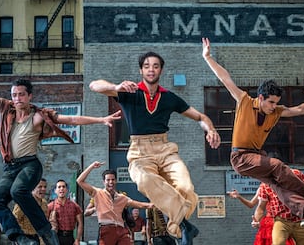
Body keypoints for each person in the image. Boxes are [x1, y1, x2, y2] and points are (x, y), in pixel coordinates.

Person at [0, 49, 121, 245]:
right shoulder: (5, 109)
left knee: (18, 191)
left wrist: (100, 119)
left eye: (21, 95)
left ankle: (46, 232)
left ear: (29, 96)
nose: (17, 99)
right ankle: (19, 238)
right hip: (10, 167)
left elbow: (71, 119)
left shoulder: (39, 116)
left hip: (30, 165)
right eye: (14, 95)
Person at [89, 51, 221, 244]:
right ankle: (183, 226)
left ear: (161, 70)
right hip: (140, 152)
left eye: (156, 66)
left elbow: (200, 117)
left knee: (186, 188)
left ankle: (178, 226)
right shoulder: (129, 93)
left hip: (165, 149)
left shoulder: (169, 97)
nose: (151, 69)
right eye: (147, 66)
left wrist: (210, 129)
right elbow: (94, 85)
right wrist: (116, 86)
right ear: (141, 70)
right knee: (144, 180)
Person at [201, 37, 304, 227]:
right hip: (241, 157)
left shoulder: (276, 112)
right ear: (260, 97)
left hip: (256, 157)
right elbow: (224, 78)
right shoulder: (244, 100)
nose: (273, 106)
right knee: (278, 165)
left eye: (276, 103)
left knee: (277, 184)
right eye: (270, 102)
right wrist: (207, 57)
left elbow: (299, 110)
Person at [76, 161, 154, 245]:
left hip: (121, 230)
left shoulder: (122, 197)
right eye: (108, 180)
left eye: (113, 180)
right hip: (106, 230)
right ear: (104, 182)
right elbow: (80, 181)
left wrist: (154, 204)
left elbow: (139, 204)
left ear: (116, 181)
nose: (110, 182)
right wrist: (92, 166)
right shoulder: (97, 193)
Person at [253, 169, 304, 245]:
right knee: (278, 243)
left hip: (299, 220)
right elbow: (260, 207)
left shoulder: (295, 174)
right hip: (281, 220)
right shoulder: (265, 184)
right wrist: (256, 220)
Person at [228, 189, 295, 245]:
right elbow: (252, 204)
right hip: (270, 222)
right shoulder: (263, 187)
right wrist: (239, 196)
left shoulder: (287, 185)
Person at [47, 180, 83, 245]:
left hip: (70, 237)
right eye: (59, 187)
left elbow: (80, 223)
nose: (61, 189)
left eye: (63, 187)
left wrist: (77, 239)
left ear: (66, 190)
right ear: (55, 190)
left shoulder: (74, 206)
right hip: (56, 237)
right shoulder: (50, 206)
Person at [13, 178, 49, 244]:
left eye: (45, 187)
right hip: (25, 238)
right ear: (32, 188)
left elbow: (45, 221)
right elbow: (14, 221)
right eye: (40, 186)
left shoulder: (44, 203)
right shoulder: (24, 202)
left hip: (38, 238)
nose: (43, 189)